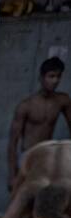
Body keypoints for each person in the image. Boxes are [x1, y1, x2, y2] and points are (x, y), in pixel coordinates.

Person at [7, 58, 71, 193]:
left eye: (58, 76)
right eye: (51, 76)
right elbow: (13, 143)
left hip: (48, 156)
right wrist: (12, 175)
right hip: (29, 156)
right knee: (23, 198)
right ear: (41, 78)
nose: (55, 81)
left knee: (46, 201)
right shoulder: (26, 106)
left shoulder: (62, 100)